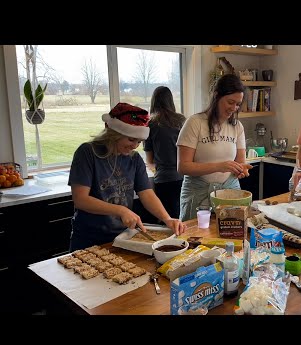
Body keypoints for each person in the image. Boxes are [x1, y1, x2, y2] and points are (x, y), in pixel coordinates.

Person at [68, 102, 186, 251]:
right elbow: (81, 200)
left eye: (139, 141)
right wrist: (120, 210)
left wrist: (167, 218)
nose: (135, 146)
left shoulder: (134, 159)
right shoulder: (87, 153)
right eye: (131, 139)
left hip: (121, 237)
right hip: (89, 237)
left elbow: (147, 194)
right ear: (113, 133)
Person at [177, 73, 253, 221]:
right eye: (230, 102)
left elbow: (240, 163)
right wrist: (220, 166)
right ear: (217, 96)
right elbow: (183, 167)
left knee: (231, 237)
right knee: (194, 239)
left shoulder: (237, 127)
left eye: (238, 104)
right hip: (198, 193)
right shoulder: (195, 123)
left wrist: (241, 170)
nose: (234, 108)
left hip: (230, 193)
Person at [144, 86, 186, 220]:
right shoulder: (181, 121)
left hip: (163, 180)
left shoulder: (150, 124)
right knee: (182, 219)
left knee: (166, 220)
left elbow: (150, 161)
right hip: (183, 178)